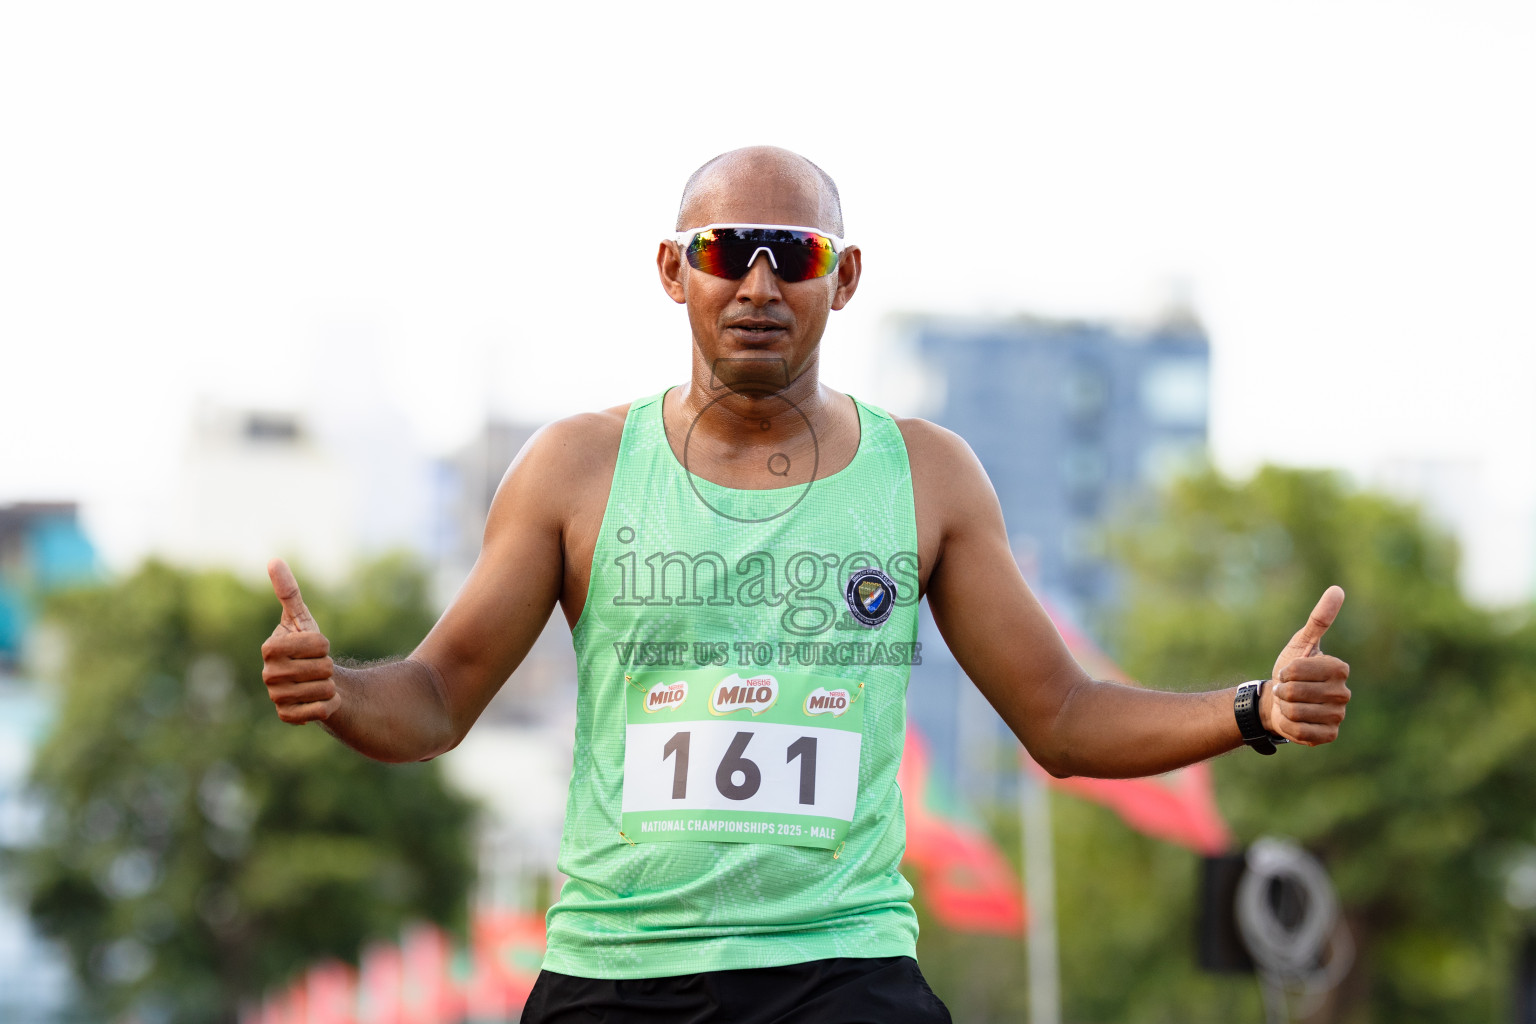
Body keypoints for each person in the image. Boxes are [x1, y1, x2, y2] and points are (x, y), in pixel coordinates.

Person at [260, 146, 1352, 1023]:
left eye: (796, 252)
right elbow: (442, 696)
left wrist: (1252, 707)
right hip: (617, 967)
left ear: (845, 276)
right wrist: (338, 692)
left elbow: (1062, 716)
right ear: (673, 270)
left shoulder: (927, 474)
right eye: (728, 250)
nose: (761, 283)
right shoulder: (575, 468)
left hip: (841, 967)